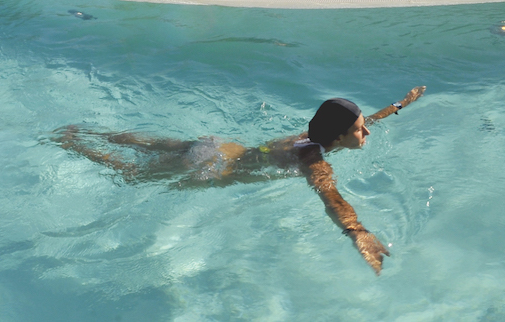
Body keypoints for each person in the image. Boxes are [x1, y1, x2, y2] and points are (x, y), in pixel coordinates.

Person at [56, 86, 426, 273]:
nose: (367, 134)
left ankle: (92, 132)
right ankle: (72, 144)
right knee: (133, 175)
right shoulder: (313, 159)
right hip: (213, 169)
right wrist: (357, 232)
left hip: (217, 146)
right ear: (341, 137)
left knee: (151, 145)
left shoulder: (312, 135)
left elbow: (367, 120)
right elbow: (332, 199)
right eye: (360, 131)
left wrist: (399, 106)